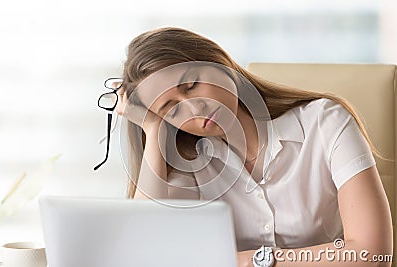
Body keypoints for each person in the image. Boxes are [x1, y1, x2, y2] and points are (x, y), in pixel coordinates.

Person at [109, 27, 392, 266]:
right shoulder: (190, 160)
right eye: (171, 110)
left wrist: (251, 261)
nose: (194, 109)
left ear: (218, 62)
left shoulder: (324, 122)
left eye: (192, 85)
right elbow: (146, 248)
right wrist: (152, 126)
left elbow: (372, 253)